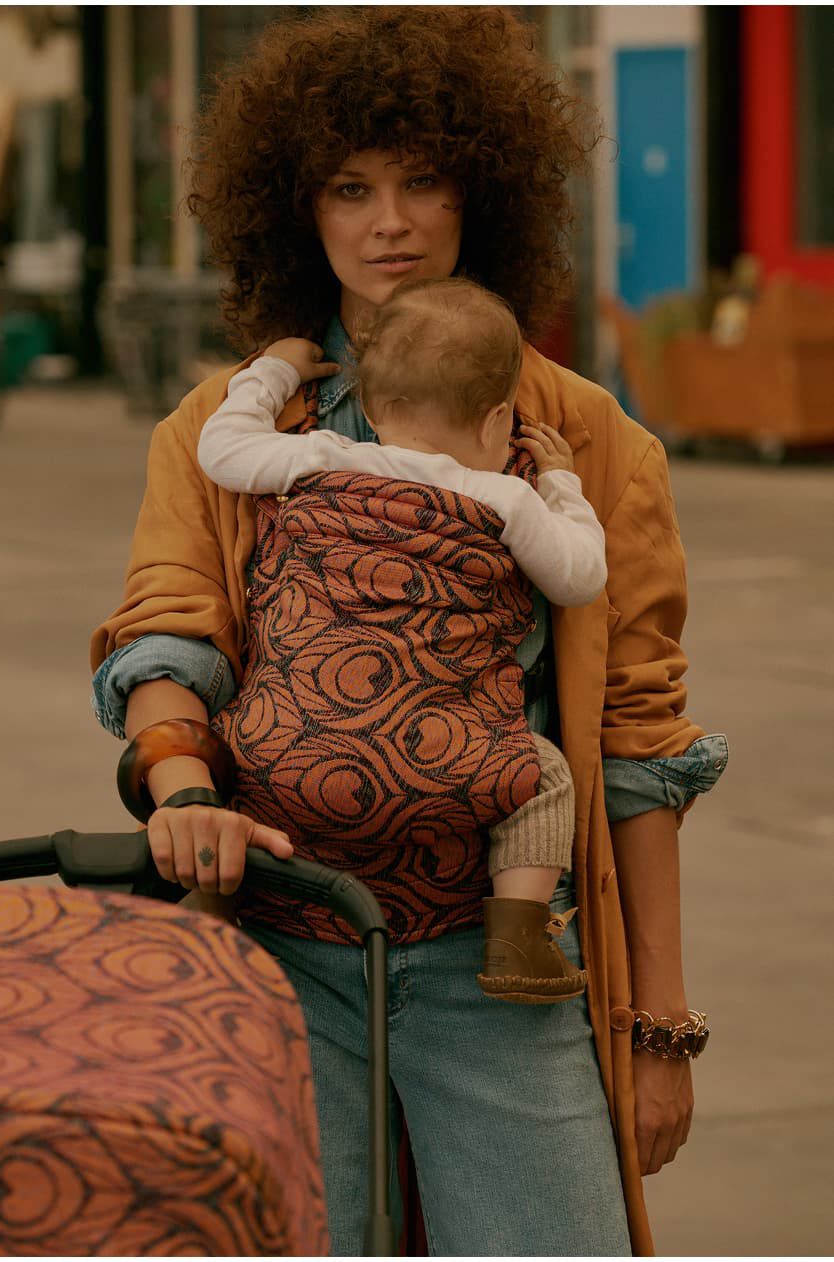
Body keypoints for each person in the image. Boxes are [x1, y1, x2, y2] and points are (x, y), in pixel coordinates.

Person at [90, 8, 728, 1255]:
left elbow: (640, 743)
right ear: (299, 208)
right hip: (280, 935)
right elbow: (167, 635)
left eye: (422, 181)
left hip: (505, 961)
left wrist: (660, 1026)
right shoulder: (226, 427)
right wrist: (179, 785)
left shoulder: (591, 442)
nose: (388, 222)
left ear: (479, 192)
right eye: (349, 187)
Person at [195, 277, 605, 1004]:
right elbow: (578, 576)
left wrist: (276, 370)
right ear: (498, 419)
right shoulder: (505, 495)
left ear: (376, 408)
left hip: (286, 755)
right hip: (443, 759)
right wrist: (563, 485)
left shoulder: (321, 457)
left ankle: (215, 905)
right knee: (542, 774)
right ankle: (516, 935)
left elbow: (222, 449)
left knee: (245, 739)